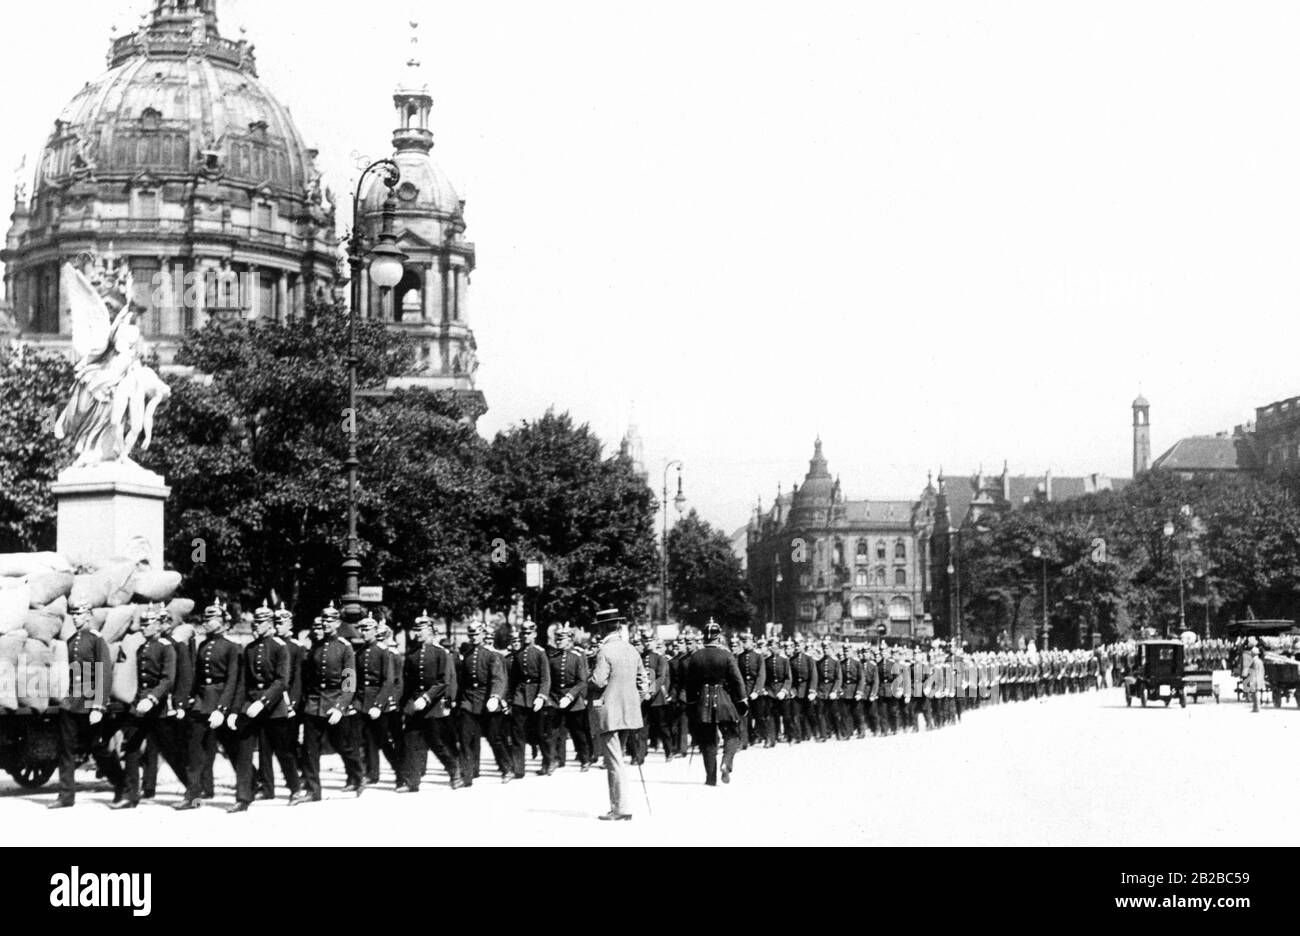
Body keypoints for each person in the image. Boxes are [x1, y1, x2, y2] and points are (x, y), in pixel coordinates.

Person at [50, 601, 124, 809]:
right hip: (71, 702)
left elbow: (104, 673)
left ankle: (121, 784)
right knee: (66, 749)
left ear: (89, 615)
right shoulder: (72, 640)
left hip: (90, 702)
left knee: (98, 748)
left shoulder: (96, 640)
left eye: (80, 614)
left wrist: (99, 706)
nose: (75, 617)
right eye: (73, 614)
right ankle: (65, 795)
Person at [229, 602, 298, 813]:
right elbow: (242, 683)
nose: (255, 626)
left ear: (269, 624)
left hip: (272, 706)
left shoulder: (280, 647)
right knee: (244, 752)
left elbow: (282, 681)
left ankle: (295, 788)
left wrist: (263, 702)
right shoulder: (248, 649)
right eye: (254, 622)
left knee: (282, 751)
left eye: (260, 623)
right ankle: (243, 797)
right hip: (250, 706)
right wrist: (234, 711)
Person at [293, 604, 365, 804]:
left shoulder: (345, 647)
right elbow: (308, 678)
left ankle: (358, 777)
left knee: (344, 746)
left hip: (335, 704)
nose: (326, 624)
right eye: (323, 620)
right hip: (314, 705)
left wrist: (340, 707)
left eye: (330, 620)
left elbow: (349, 683)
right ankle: (313, 790)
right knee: (310, 750)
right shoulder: (315, 647)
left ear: (338, 623)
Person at [175, 599, 241, 810]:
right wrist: (189, 699)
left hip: (221, 703)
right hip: (202, 704)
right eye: (205, 618)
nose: (206, 622)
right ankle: (193, 795)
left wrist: (223, 709)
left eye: (211, 619)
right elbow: (197, 677)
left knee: (234, 751)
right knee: (195, 753)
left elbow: (232, 680)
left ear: (222, 622)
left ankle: (249, 788)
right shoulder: (203, 645)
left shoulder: (233, 648)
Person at [112, 606, 176, 809]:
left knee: (172, 751)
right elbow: (142, 681)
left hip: (157, 708)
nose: (143, 628)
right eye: (143, 624)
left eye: (147, 624)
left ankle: (193, 790)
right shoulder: (141, 648)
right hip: (139, 707)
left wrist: (152, 699)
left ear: (158, 625)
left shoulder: (167, 647)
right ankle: (131, 795)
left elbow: (167, 680)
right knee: (131, 747)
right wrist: (137, 701)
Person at [589, 608, 645, 821]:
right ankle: (621, 806)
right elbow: (643, 681)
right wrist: (634, 701)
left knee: (614, 762)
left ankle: (620, 808)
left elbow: (599, 681)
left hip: (609, 713)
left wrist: (588, 679)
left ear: (603, 628)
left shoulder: (604, 651)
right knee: (619, 758)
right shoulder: (632, 650)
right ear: (619, 627)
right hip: (629, 713)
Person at [400, 613, 461, 791]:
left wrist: (427, 697)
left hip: (432, 705)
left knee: (436, 742)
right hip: (414, 704)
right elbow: (408, 683)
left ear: (431, 631)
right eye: (416, 630)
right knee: (411, 742)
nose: (418, 633)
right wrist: (406, 707)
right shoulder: (412, 655)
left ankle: (454, 769)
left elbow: (443, 682)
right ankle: (412, 782)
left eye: (422, 630)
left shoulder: (440, 653)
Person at [684, 620, 747, 787]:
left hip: (702, 702)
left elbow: (690, 685)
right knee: (732, 734)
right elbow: (737, 680)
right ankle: (726, 762)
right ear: (718, 638)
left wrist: (691, 704)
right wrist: (742, 700)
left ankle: (710, 778)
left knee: (708, 741)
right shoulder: (727, 655)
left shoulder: (696, 656)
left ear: (705, 637)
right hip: (724, 699)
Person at [456, 621, 511, 786]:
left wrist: (495, 697)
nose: (473, 637)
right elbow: (463, 681)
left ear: (482, 634)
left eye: (476, 634)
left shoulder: (491, 655)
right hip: (468, 701)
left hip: (487, 701)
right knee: (465, 739)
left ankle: (506, 768)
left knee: (495, 738)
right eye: (471, 634)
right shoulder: (467, 654)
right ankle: (467, 774)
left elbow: (498, 678)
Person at [355, 615, 399, 786]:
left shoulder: (383, 651)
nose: (364, 632)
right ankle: (371, 773)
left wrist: (379, 705)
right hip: (360, 701)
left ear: (374, 631)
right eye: (362, 629)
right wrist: (348, 701)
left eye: (367, 629)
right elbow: (351, 677)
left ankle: (401, 772)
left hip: (377, 701)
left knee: (383, 740)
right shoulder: (358, 652)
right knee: (365, 740)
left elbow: (388, 681)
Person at [506, 620, 551, 779]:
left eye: (529, 633)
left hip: (536, 696)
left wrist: (541, 696)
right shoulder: (518, 653)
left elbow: (546, 678)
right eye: (523, 633)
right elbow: (514, 679)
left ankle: (547, 762)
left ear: (535, 634)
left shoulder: (540, 652)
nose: (526, 636)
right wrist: (510, 699)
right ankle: (519, 769)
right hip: (520, 696)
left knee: (540, 733)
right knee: (517, 733)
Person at [545, 624, 592, 771]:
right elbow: (549, 679)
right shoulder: (552, 658)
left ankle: (585, 759)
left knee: (578, 731)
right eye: (557, 638)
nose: (558, 641)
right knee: (554, 732)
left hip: (574, 700)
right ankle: (555, 760)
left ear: (570, 640)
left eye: (562, 638)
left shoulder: (577, 657)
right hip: (555, 698)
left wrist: (570, 696)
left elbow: (582, 681)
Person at [735, 631, 766, 748]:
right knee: (745, 716)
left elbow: (761, 675)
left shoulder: (758, 656)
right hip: (744, 690)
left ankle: (764, 736)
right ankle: (747, 739)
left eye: (746, 641)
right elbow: (738, 675)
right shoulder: (740, 656)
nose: (744, 644)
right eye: (743, 642)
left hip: (756, 689)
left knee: (759, 716)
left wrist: (756, 691)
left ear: (752, 642)